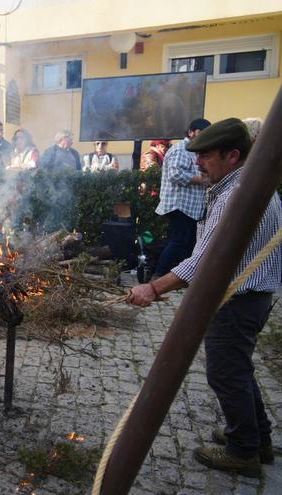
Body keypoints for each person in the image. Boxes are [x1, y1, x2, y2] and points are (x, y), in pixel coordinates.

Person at [126, 118, 279, 478]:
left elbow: (203, 261)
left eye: (206, 156)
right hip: (251, 294)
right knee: (238, 369)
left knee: (226, 373)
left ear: (233, 155)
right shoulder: (248, 187)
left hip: (239, 298)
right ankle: (258, 438)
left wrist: (152, 287)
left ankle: (243, 451)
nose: (197, 162)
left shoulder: (236, 197)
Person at [154, 118, 212, 277]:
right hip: (179, 205)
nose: (204, 136)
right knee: (179, 242)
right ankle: (159, 275)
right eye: (201, 133)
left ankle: (182, 277)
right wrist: (201, 179)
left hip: (191, 208)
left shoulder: (195, 150)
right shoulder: (181, 149)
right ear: (191, 132)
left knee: (188, 244)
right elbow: (175, 174)